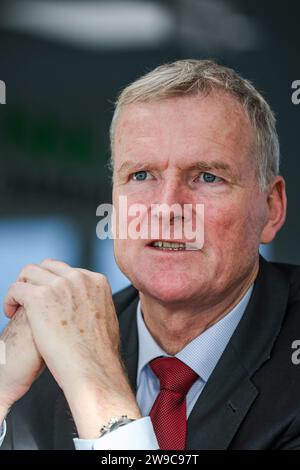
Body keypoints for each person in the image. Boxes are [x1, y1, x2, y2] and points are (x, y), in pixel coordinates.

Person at [0, 59, 299, 450]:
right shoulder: (54, 348)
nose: (166, 208)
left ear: (271, 208)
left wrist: (98, 389)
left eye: (207, 177)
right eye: (141, 175)